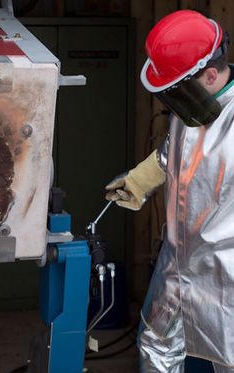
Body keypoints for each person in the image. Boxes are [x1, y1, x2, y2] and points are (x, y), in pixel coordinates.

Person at [105, 9, 234, 373]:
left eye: (179, 89)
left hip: (226, 272)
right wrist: (139, 180)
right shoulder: (191, 109)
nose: (175, 101)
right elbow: (171, 154)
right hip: (178, 264)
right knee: (156, 346)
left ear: (210, 75)